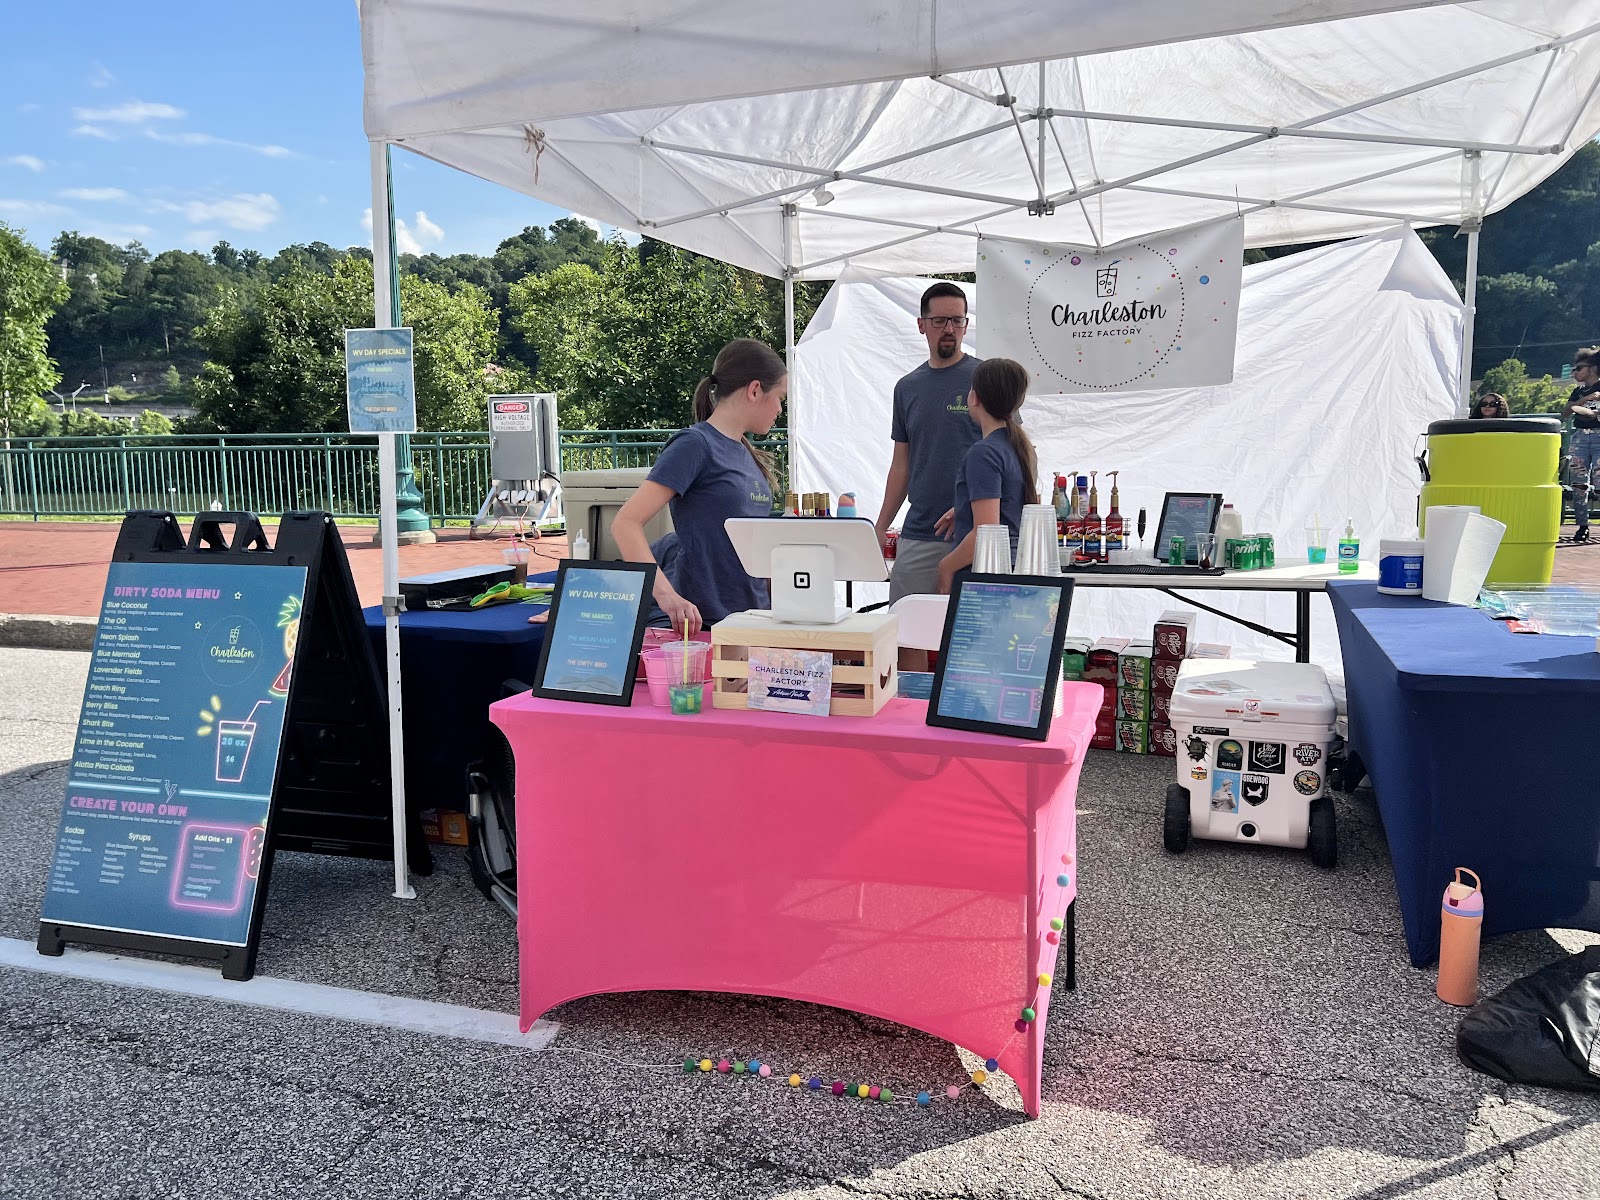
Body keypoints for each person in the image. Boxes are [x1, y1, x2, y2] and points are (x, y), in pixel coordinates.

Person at [607, 338, 784, 633]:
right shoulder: (695, 445)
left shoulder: (746, 451)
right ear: (754, 390)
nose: (779, 408)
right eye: (780, 397)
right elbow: (625, 524)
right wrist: (668, 597)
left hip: (751, 620)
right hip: (705, 623)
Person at [875, 282, 982, 604]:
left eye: (957, 320)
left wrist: (969, 508)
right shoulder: (907, 388)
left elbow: (1015, 454)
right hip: (920, 533)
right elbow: (901, 466)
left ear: (966, 325)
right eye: (939, 320)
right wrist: (880, 527)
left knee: (971, 630)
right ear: (922, 325)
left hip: (976, 535)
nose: (949, 329)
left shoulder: (985, 378)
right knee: (905, 626)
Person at [936, 358, 1039, 594]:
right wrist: (964, 508)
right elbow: (1009, 504)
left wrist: (946, 567)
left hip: (985, 575)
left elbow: (986, 532)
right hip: (1014, 566)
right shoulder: (1020, 448)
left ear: (974, 397)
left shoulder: (984, 453)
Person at [1565, 348, 1600, 542]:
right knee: (1578, 484)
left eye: (1579, 368)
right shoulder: (1578, 392)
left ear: (1592, 368)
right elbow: (1565, 412)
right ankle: (1582, 525)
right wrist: (1586, 399)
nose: (1575, 373)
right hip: (1580, 436)